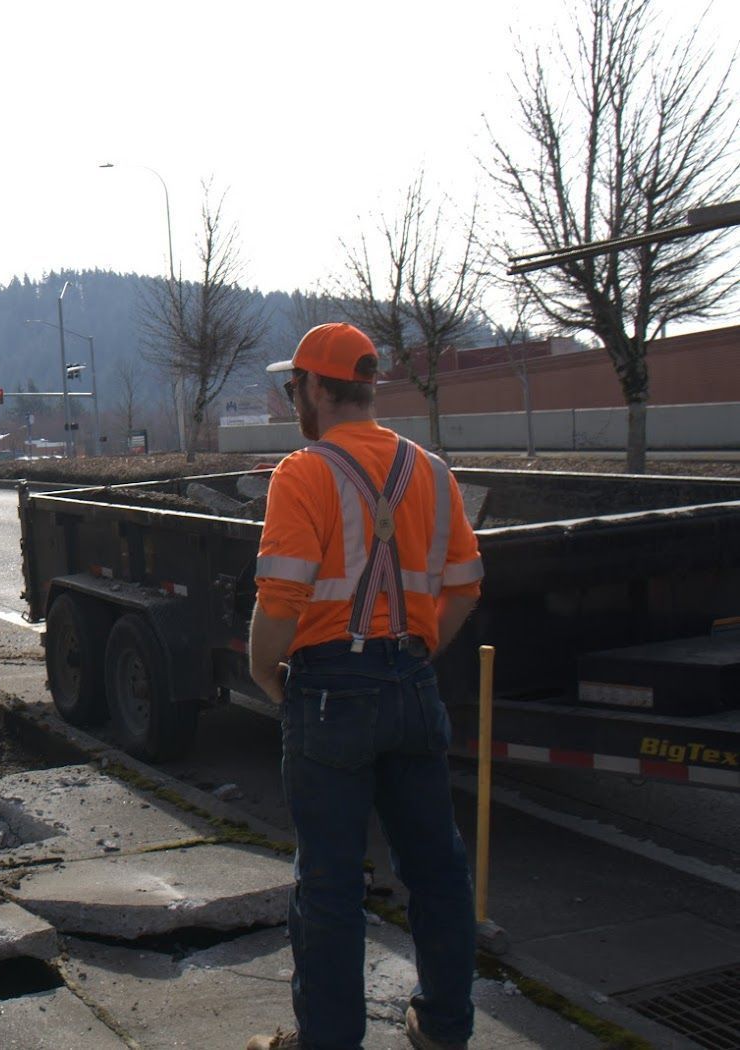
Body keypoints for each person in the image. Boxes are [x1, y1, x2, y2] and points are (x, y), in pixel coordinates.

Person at [245, 323, 484, 1050]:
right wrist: (421, 644)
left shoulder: (303, 473)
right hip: (412, 682)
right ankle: (443, 1025)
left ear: (318, 389)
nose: (295, 401)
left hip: (328, 695)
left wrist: (261, 670)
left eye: (295, 388)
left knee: (330, 884)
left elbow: (281, 599)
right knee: (436, 868)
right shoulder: (432, 471)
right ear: (366, 388)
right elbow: (467, 582)